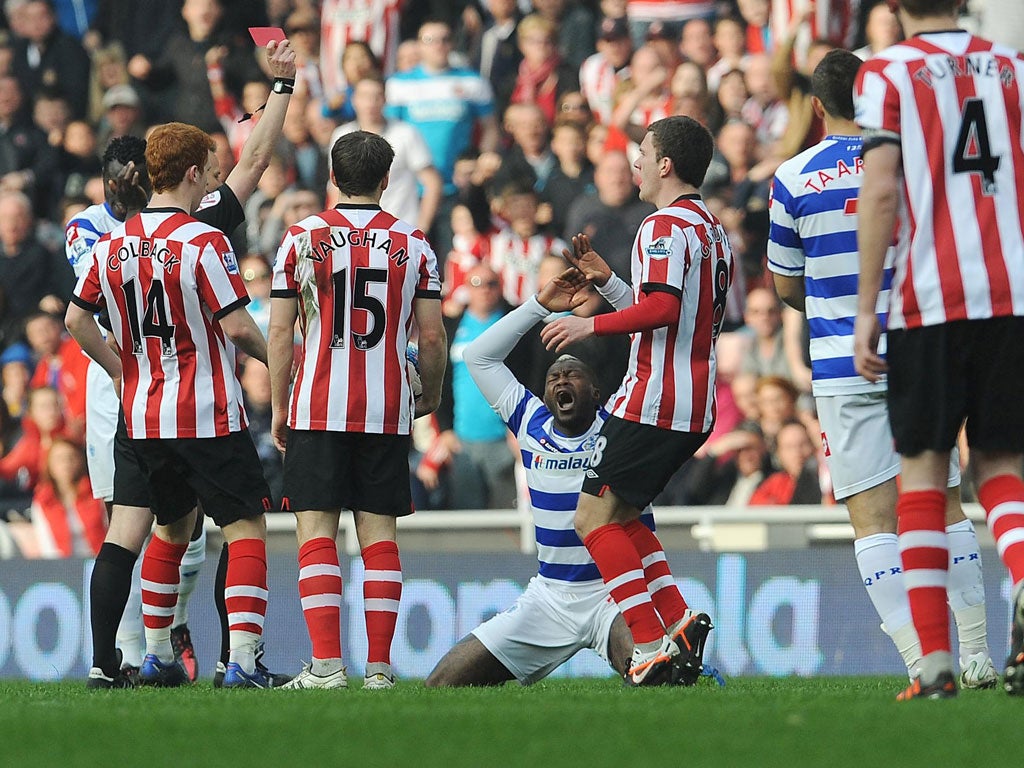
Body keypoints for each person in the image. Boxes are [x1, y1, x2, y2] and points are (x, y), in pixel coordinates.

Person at [65, 39, 299, 688]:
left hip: (140, 414)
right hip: (206, 411)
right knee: (246, 528)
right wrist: (288, 367)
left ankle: (156, 656)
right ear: (194, 173)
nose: (218, 176)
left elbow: (74, 320)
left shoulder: (114, 246)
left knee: (163, 531)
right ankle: (244, 663)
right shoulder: (205, 241)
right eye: (211, 169)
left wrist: (121, 369)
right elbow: (239, 327)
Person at [770, 48, 996, 688]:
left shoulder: (791, 176)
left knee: (871, 520)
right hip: (919, 349)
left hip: (844, 365)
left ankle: (924, 665)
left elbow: (786, 285)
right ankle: (977, 655)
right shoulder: (913, 160)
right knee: (946, 504)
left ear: (816, 107)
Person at [427, 263, 712, 686]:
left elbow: (650, 335)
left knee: (658, 680)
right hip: (550, 596)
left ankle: (669, 654)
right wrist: (539, 305)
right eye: (554, 376)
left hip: (614, 594)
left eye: (573, 375)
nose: (561, 380)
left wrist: (609, 294)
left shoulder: (620, 425)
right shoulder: (529, 421)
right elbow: (477, 356)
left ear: (597, 392)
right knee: (442, 684)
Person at [852, 0, 1024, 699]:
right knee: (1002, 466)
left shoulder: (885, 73)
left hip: (928, 299)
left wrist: (868, 306)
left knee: (922, 473)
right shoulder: (1013, 68)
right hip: (1011, 293)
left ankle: (935, 665)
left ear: (894, 7)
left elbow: (883, 189)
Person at [540, 115, 733, 685]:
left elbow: (663, 312)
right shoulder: (710, 227)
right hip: (696, 401)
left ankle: (647, 642)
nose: (636, 162)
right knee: (622, 515)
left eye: (643, 152)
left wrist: (590, 328)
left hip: (654, 399)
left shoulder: (662, 226)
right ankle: (676, 622)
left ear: (666, 164)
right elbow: (673, 311)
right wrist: (610, 288)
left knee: (591, 517)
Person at [268, 130, 446, 690]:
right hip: (387, 408)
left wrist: (278, 405)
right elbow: (434, 336)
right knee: (380, 539)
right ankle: (380, 670)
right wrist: (432, 394)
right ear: (387, 180)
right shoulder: (414, 244)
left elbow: (279, 332)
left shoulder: (300, 238)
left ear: (332, 176)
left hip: (316, 405)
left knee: (316, 534)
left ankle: (326, 666)